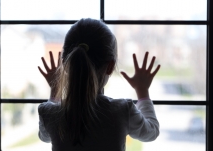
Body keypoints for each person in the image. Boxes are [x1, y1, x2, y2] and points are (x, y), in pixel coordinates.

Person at [38, 18, 161, 151]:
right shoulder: (122, 111)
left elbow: (44, 136)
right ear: (110, 66)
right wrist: (142, 90)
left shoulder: (48, 113)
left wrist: (55, 90)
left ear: (65, 65)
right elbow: (151, 132)